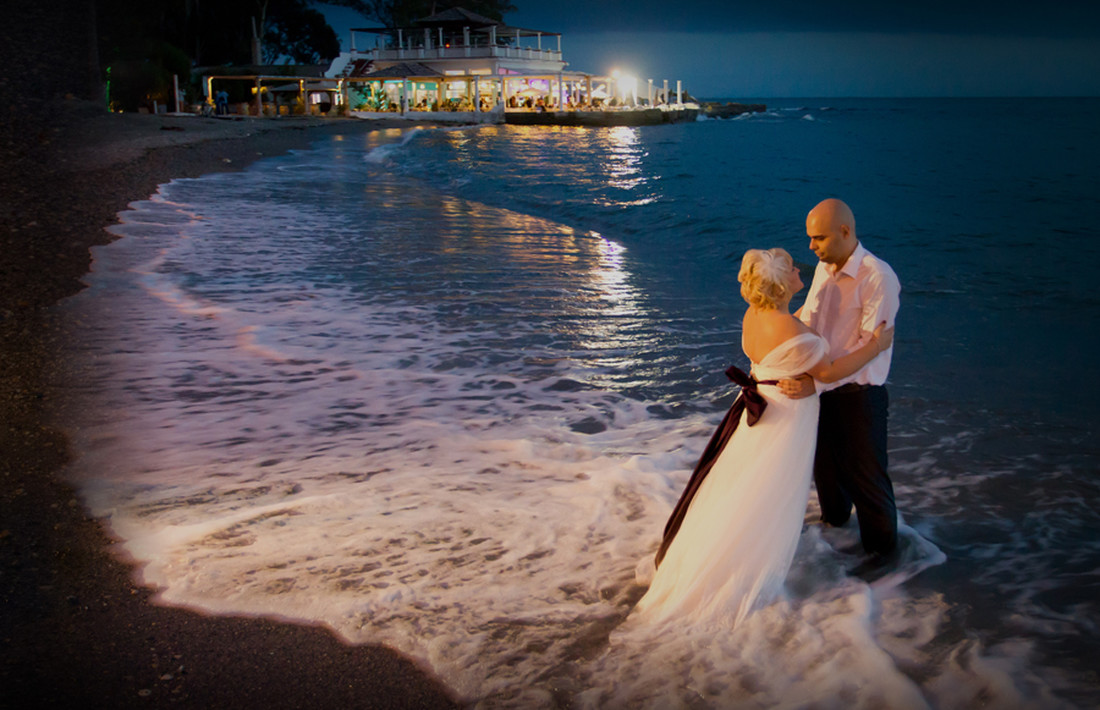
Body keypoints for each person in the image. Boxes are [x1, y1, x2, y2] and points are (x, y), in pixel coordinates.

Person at [634, 248, 892, 627]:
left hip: (759, 410)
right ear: (781, 284)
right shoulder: (796, 333)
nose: (798, 270)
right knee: (769, 489)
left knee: (746, 485)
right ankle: (751, 564)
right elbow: (833, 370)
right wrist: (876, 346)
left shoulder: (755, 315)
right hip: (785, 419)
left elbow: (783, 350)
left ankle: (719, 551)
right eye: (791, 269)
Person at [781, 198, 901, 566]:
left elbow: (871, 348)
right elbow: (809, 320)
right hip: (819, 392)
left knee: (868, 485)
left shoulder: (877, 277)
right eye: (810, 238)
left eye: (818, 238)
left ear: (845, 232)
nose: (811, 247)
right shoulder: (822, 268)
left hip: (857, 396)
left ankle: (884, 566)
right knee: (828, 481)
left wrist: (815, 384)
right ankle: (832, 550)